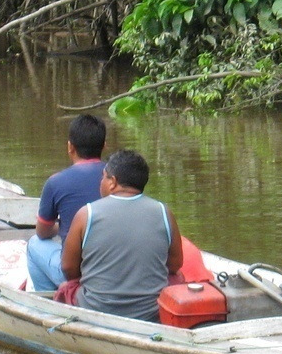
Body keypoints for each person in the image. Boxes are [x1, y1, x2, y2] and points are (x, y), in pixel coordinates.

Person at [61, 149, 183, 322]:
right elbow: (175, 264)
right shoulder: (164, 212)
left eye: (103, 177)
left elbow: (68, 269)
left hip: (95, 308)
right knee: (178, 278)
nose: (100, 182)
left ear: (113, 182)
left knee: (66, 286)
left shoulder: (86, 213)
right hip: (150, 313)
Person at [26, 114, 107, 291]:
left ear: (70, 147)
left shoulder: (56, 181)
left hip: (76, 272)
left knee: (34, 244)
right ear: (104, 146)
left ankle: (50, 302)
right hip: (110, 267)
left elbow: (42, 232)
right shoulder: (118, 179)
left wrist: (62, 228)